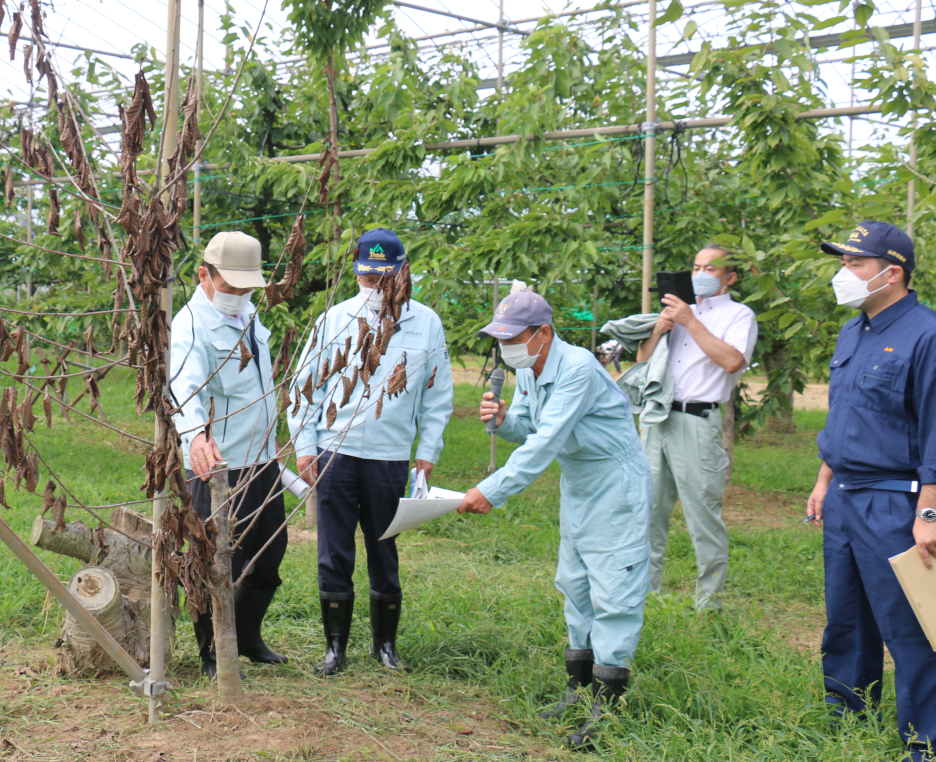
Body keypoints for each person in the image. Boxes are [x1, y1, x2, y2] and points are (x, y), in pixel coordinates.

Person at [459, 291, 651, 749]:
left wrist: (492, 490)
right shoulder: (530, 368)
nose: (506, 347)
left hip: (615, 484)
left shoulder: (579, 367)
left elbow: (545, 443)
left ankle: (608, 708)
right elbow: (528, 427)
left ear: (543, 333)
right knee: (575, 583)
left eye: (514, 337)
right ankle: (577, 691)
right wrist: (503, 421)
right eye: (499, 338)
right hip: (579, 484)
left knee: (613, 588)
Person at [288, 228, 453, 675]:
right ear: (356, 273)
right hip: (335, 453)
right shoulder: (334, 319)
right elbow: (304, 389)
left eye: (383, 279)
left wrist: (427, 453)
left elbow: (438, 397)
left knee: (384, 548)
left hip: (390, 456)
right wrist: (306, 450)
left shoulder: (426, 323)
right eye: (367, 278)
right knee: (334, 548)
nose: (374, 287)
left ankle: (385, 646)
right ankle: (334, 648)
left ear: (402, 274)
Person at [807, 221, 936, 762]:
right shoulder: (852, 331)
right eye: (842, 263)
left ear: (892, 272)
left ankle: (923, 740)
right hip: (843, 497)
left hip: (894, 499)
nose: (844, 273)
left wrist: (928, 511)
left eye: (853, 263)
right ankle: (848, 711)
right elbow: (844, 414)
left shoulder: (925, 334)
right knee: (846, 614)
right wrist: (823, 479)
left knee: (908, 622)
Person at [169, 231, 290, 678]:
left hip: (261, 459)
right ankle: (213, 652)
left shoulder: (248, 313)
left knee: (269, 554)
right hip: (217, 467)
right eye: (229, 287)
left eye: (245, 289)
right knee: (215, 562)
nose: (237, 296)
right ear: (204, 274)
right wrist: (195, 436)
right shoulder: (191, 324)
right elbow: (183, 387)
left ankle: (248, 635)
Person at [635, 244, 757, 611]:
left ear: (730, 277)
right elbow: (643, 361)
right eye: (696, 266)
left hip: (698, 421)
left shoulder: (739, 316)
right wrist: (659, 329)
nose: (701, 273)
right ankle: (645, 595)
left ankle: (709, 604)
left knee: (702, 515)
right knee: (647, 509)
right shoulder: (678, 311)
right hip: (657, 418)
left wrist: (691, 322)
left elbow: (733, 361)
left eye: (711, 268)